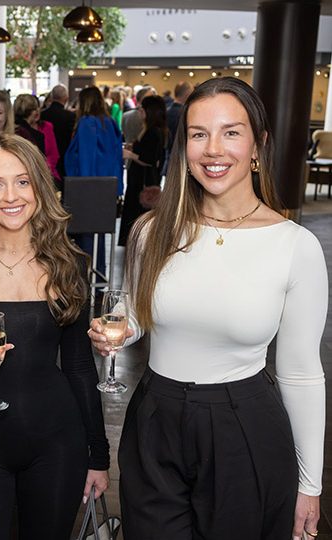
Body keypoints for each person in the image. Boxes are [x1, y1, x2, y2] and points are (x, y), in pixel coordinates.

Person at [89, 77, 327, 540]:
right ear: (185, 147)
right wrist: (119, 330)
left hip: (243, 425)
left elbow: (301, 373)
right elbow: (135, 312)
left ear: (257, 145)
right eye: (199, 134)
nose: (213, 149)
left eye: (230, 132)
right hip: (154, 417)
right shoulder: (151, 231)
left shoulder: (295, 246)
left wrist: (310, 483)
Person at [0, 133, 110, 540]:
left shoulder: (68, 263)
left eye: (22, 181)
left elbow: (79, 367)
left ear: (40, 186)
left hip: (57, 443)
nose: (11, 196)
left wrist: (98, 454)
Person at [64, 86, 123, 274]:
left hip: (87, 187)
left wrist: (83, 188)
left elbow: (86, 157)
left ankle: (85, 277)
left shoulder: (87, 123)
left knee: (85, 237)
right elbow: (117, 157)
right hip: (106, 187)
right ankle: (98, 275)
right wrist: (118, 188)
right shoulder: (110, 122)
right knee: (98, 235)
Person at [118, 95, 167, 246]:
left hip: (142, 182)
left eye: (141, 109)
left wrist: (130, 154)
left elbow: (150, 159)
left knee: (137, 216)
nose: (139, 112)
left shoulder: (152, 132)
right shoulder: (154, 130)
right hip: (144, 180)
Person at [40, 84, 75, 179]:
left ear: (51, 97)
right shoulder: (70, 116)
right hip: (65, 157)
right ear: (66, 98)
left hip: (46, 158)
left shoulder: (42, 115)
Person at [28, 94, 61, 185]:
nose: (37, 111)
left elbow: (54, 154)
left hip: (48, 174)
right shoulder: (20, 131)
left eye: (37, 108)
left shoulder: (47, 126)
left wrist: (44, 171)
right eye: (33, 109)